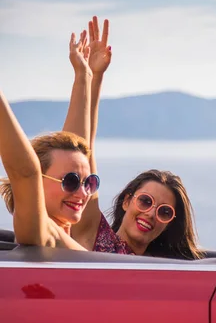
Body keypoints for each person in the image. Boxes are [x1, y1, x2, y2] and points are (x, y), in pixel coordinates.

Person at [64, 16, 203, 259]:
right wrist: (89, 77)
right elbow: (79, 153)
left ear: (169, 224)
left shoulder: (167, 269)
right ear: (127, 201)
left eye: (164, 212)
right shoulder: (94, 239)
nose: (150, 214)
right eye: (146, 201)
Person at [0, 95, 98, 249]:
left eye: (89, 183)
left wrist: (84, 75)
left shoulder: (74, 235)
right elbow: (25, 173)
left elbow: (78, 141)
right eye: (70, 181)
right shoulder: (44, 237)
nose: (83, 193)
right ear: (37, 183)